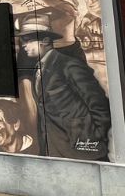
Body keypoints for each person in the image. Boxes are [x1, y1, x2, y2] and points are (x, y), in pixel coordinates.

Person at [18, 14, 111, 161]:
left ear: (46, 40)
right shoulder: (38, 69)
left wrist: (93, 138)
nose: (23, 44)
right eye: (23, 40)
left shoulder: (68, 65)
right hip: (55, 152)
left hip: (85, 154)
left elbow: (99, 105)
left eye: (28, 39)